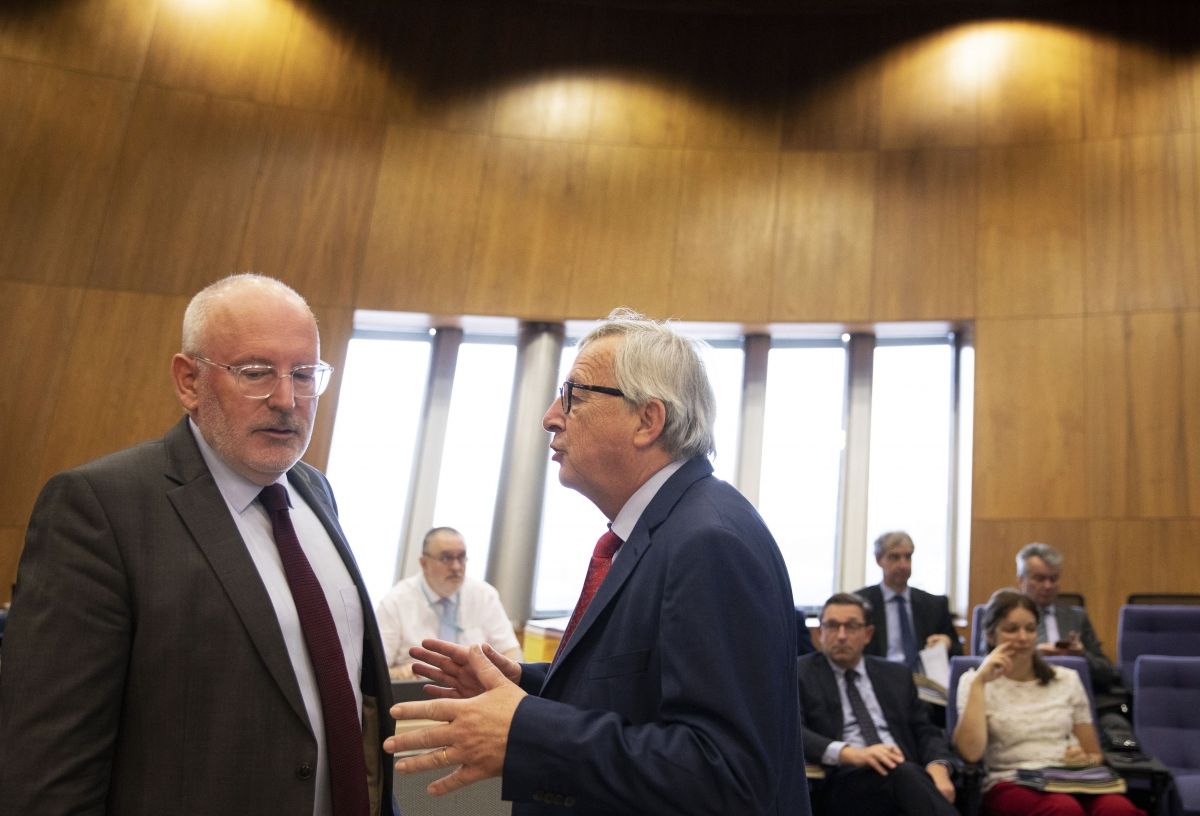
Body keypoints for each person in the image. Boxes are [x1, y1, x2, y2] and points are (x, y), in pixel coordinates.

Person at [384, 308, 807, 815]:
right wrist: (523, 687)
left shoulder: (710, 542)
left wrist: (525, 729)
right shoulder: (664, 529)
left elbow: (725, 776)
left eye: (574, 397)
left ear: (648, 420)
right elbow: (640, 690)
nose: (550, 416)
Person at [0, 274, 395, 816]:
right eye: (256, 373)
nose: (286, 400)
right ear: (189, 381)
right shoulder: (100, 509)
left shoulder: (315, 491)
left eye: (304, 375)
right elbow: (48, 762)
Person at [954, 589, 1144, 816]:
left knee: (1118, 809)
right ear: (991, 635)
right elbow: (971, 753)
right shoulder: (974, 682)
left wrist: (1084, 759)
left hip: (1071, 777)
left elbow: (1094, 754)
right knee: (1063, 809)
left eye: (1030, 629)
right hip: (1012, 780)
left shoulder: (1066, 679)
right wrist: (980, 682)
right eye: (1011, 629)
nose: (1023, 637)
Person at [799, 593, 958, 816]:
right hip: (842, 781)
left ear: (868, 634)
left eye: (852, 626)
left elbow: (926, 730)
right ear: (820, 633)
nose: (841, 636)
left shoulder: (896, 675)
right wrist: (850, 753)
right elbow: (795, 732)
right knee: (905, 777)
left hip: (906, 775)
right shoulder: (800, 674)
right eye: (833, 626)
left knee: (911, 778)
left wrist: (939, 767)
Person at [376, 526, 521, 679]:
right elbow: (376, 670)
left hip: (474, 694)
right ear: (424, 563)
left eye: (461, 557)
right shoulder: (396, 601)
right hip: (416, 694)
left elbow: (511, 652)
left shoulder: (484, 595)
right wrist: (400, 674)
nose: (456, 567)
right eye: (446, 558)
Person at [1016, 542, 1119, 692]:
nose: (1048, 586)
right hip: (1024, 693)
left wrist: (1082, 655)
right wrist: (1033, 654)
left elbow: (1107, 673)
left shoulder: (1077, 617)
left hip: (1073, 694)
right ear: (1021, 580)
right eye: (1040, 578)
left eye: (1053, 579)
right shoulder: (1006, 617)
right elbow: (985, 665)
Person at [855, 530, 962, 672]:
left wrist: (947, 643)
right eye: (895, 557)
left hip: (924, 682)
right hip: (879, 678)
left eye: (908, 557)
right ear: (879, 559)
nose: (903, 565)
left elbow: (958, 651)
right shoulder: (860, 604)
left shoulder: (934, 605)